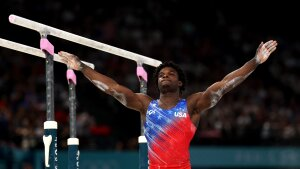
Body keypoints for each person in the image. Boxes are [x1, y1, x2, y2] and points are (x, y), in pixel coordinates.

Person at [58, 40, 277, 169]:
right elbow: (114, 89)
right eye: (161, 74)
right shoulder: (146, 105)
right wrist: (82, 67)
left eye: (170, 74)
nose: (165, 76)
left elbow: (224, 85)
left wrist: (254, 62)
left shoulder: (192, 105)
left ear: (180, 82)